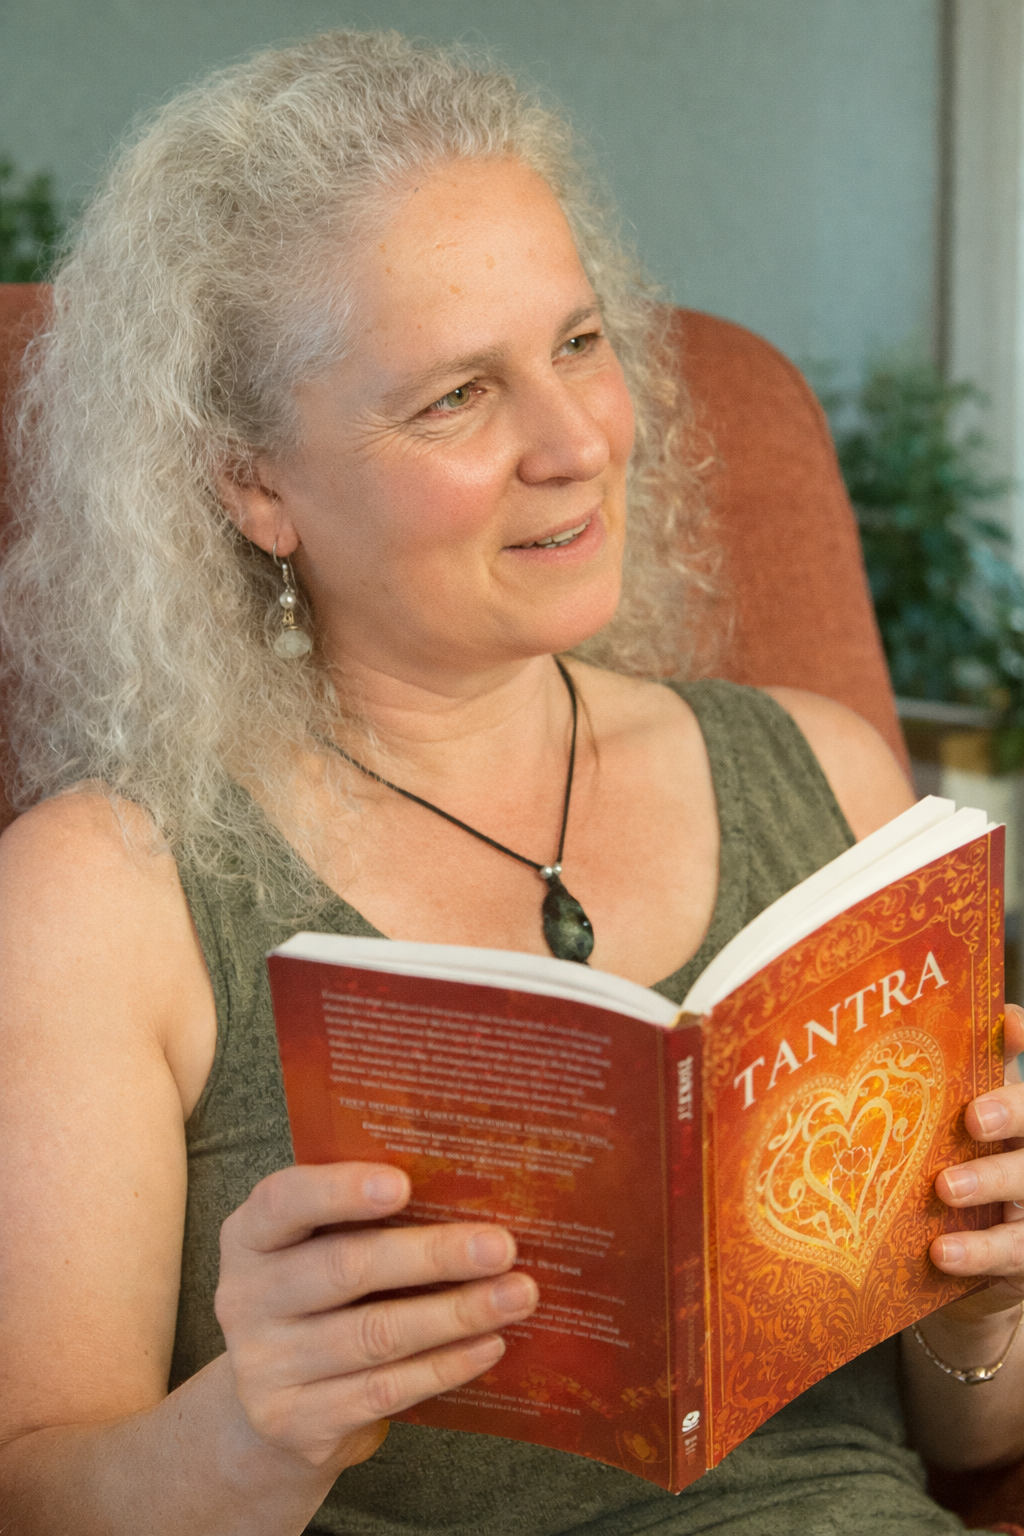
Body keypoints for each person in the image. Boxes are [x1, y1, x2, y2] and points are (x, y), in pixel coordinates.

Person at [0, 29, 1021, 1536]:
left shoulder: (829, 776)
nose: (577, 441)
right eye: (457, 397)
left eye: (580, 344)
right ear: (255, 484)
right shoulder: (104, 893)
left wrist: (987, 1293)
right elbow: (32, 1493)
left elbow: (972, 1433)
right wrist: (255, 1431)